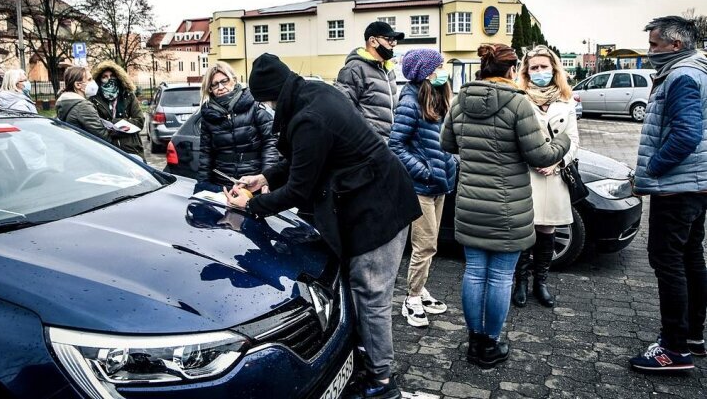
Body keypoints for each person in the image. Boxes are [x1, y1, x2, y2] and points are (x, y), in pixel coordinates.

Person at [224, 53, 422, 399]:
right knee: (359, 288)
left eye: (266, 101)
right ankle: (365, 358)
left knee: (370, 294)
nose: (268, 109)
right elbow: (305, 157)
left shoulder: (309, 117)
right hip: (373, 200)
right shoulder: (313, 92)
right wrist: (265, 177)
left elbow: (299, 188)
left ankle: (382, 383)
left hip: (381, 209)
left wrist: (251, 205)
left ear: (272, 94)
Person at [440, 43, 570, 369]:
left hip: (470, 205)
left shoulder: (460, 101)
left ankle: (473, 343)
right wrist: (563, 141)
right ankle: (490, 344)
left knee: (473, 273)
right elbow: (540, 155)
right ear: (512, 71)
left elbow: (447, 143)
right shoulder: (518, 104)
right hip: (507, 208)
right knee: (499, 278)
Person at [629, 16, 707, 373]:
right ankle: (692, 335)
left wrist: (651, 169)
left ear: (676, 45)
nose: (650, 52)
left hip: (677, 188)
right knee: (691, 257)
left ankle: (674, 349)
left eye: (654, 45)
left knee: (668, 261)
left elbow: (686, 135)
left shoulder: (681, 75)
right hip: (695, 185)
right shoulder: (697, 69)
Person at [388, 49, 457, 328]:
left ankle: (421, 288)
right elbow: (395, 146)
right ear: (425, 72)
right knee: (424, 245)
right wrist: (424, 170)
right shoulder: (409, 102)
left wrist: (447, 162)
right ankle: (412, 298)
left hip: (438, 184)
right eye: (439, 67)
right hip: (420, 187)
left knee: (431, 244)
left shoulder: (435, 98)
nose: (443, 71)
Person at [512, 45, 579, 309]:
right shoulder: (519, 97)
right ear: (526, 72)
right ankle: (521, 283)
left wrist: (557, 162)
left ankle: (541, 283)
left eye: (544, 67)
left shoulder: (566, 99)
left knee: (547, 230)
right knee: (525, 231)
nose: (540, 72)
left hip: (554, 175)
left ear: (554, 69)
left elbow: (573, 140)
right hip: (526, 174)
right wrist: (533, 159)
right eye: (534, 68)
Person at [196, 61, 277, 191]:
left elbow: (271, 143)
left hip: (253, 181)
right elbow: (206, 154)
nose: (221, 87)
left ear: (233, 80)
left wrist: (266, 178)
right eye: (215, 84)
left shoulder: (254, 106)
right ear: (209, 88)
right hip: (223, 183)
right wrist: (202, 185)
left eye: (225, 81)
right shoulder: (208, 116)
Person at [334, 21, 404, 139]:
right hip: (368, 146)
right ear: (372, 41)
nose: (393, 44)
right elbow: (342, 111)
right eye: (389, 39)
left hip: (389, 144)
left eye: (395, 40)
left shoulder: (388, 70)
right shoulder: (354, 69)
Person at [88, 61, 146, 160]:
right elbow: (94, 125)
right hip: (106, 150)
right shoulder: (94, 99)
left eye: (112, 76)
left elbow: (139, 121)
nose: (109, 79)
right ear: (99, 79)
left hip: (131, 149)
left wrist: (116, 124)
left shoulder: (127, 95)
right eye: (105, 76)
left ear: (118, 77)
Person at [56, 66, 112, 143]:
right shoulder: (83, 106)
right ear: (78, 85)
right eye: (89, 79)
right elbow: (103, 137)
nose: (93, 82)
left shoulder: (66, 102)